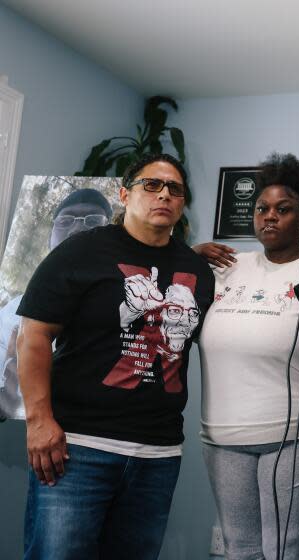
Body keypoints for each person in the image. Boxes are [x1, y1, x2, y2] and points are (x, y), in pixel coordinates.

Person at [17, 153, 214, 560]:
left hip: (158, 455)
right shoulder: (79, 253)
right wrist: (38, 421)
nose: (164, 194)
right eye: (152, 184)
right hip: (78, 448)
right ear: (125, 193)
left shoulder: (197, 269)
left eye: (174, 189)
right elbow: (33, 336)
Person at [194, 153, 299, 560]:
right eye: (262, 209)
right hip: (223, 436)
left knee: (286, 548)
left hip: (297, 435)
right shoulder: (225, 267)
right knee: (240, 548)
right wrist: (189, 255)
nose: (270, 217)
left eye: (283, 210)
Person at [0, 189, 113, 420]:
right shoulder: (13, 312)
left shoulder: (129, 305)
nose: (77, 227)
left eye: (93, 220)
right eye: (65, 220)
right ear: (49, 236)